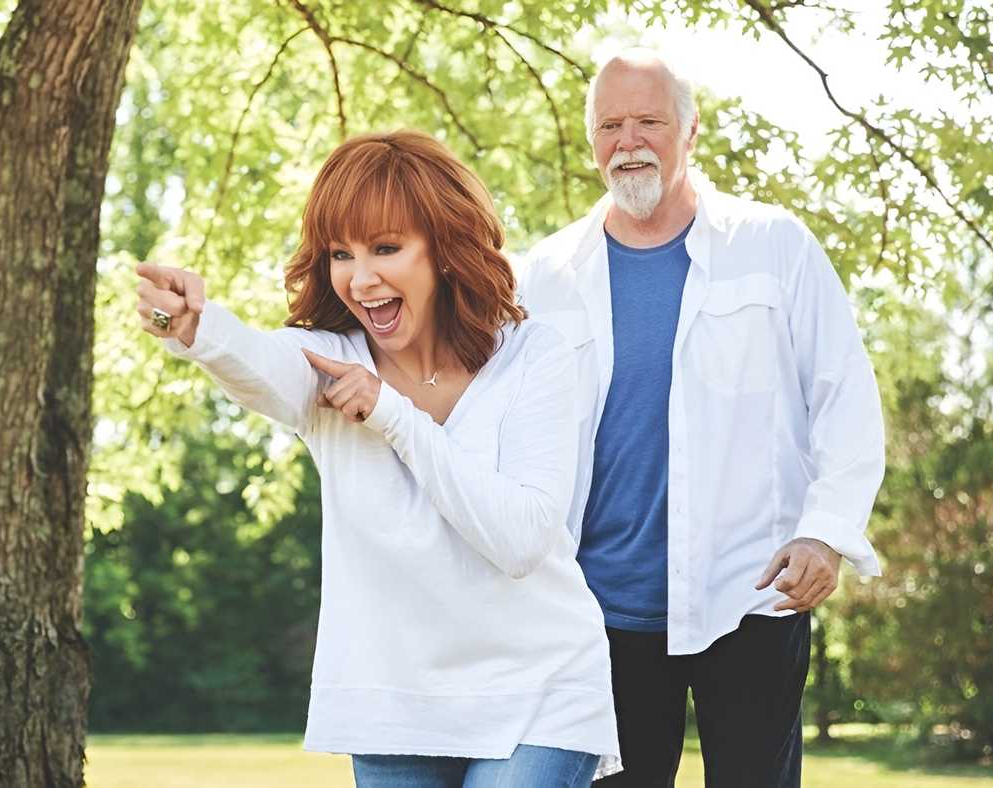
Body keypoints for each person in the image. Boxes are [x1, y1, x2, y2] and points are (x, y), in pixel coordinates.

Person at [136, 130, 620, 786]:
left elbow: (522, 541)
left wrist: (394, 416)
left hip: (540, 688)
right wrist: (195, 328)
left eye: (387, 248)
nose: (362, 280)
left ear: (444, 249)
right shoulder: (329, 363)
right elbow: (256, 359)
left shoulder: (535, 357)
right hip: (392, 698)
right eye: (342, 254)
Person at [519, 49, 885, 787]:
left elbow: (844, 395)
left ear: (689, 133)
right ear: (592, 142)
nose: (628, 141)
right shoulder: (545, 276)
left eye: (648, 121)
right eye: (609, 125)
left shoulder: (773, 245)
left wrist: (825, 532)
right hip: (596, 613)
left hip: (750, 596)